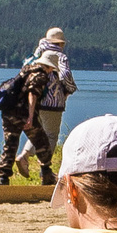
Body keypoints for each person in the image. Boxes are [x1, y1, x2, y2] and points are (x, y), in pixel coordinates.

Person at [20, 27, 76, 181]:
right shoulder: (60, 56)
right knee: (51, 136)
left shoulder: (38, 52)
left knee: (39, 133)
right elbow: (66, 76)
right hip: (53, 103)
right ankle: (45, 172)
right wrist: (70, 89)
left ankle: (24, 155)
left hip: (35, 101)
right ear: (60, 43)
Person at [0, 55, 58, 185]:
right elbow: (32, 94)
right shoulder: (40, 76)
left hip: (8, 112)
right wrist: (30, 117)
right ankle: (46, 174)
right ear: (49, 66)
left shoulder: (27, 69)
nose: (52, 71)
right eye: (52, 68)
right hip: (23, 114)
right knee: (42, 143)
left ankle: (4, 179)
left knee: (10, 145)